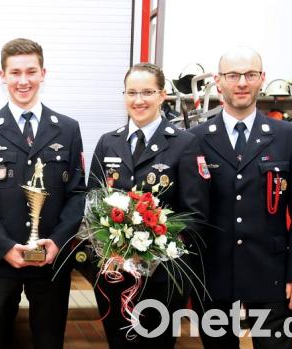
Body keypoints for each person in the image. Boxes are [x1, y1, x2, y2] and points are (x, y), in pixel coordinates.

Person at [189, 47, 292, 348]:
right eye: (233, 75)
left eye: (249, 74)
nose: (242, 83)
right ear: (218, 82)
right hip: (214, 275)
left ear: (262, 78)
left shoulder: (288, 136)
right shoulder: (195, 138)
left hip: (272, 275)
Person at [0, 38, 86, 349]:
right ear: (2, 76)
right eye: (15, 72)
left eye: (31, 71)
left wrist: (57, 243)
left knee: (49, 340)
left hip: (51, 260)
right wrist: (4, 247)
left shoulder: (68, 129)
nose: (23, 81)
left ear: (43, 73)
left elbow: (77, 193)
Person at [87, 63, 209, 348]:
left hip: (163, 276)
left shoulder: (184, 143)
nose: (138, 100)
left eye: (147, 92)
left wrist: (154, 248)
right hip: (115, 272)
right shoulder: (108, 143)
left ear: (162, 95)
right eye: (131, 92)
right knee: (118, 341)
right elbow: (92, 203)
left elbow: (196, 213)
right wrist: (109, 251)